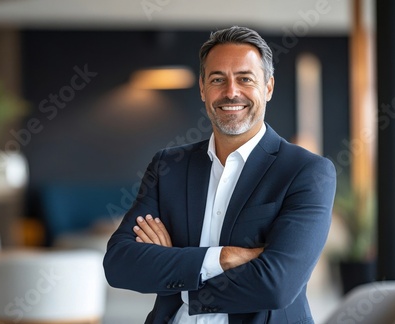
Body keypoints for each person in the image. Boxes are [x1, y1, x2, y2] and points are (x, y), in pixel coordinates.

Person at [103, 26, 336, 323]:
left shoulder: (307, 172)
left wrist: (178, 271)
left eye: (245, 79)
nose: (231, 92)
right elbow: (119, 264)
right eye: (217, 79)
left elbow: (278, 285)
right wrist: (223, 257)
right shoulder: (169, 166)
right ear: (202, 88)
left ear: (268, 87)